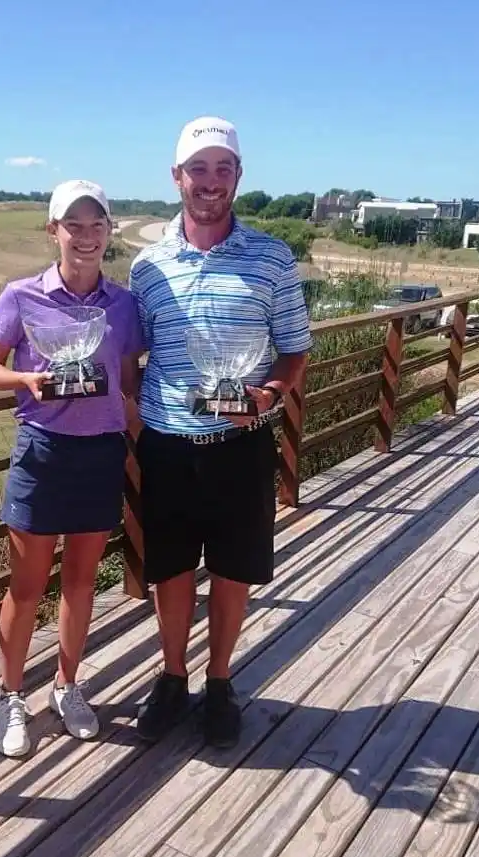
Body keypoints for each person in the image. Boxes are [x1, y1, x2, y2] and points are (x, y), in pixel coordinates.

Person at [129, 117, 312, 748]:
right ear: (176, 177)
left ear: (238, 176)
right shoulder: (147, 266)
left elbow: (293, 352)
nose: (211, 183)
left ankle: (220, 681)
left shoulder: (272, 257)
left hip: (241, 444)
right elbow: (130, 354)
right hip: (167, 444)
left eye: (223, 169)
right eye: (198, 169)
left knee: (233, 570)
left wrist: (269, 393)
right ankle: (172, 677)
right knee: (172, 570)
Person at [0, 179, 143, 757]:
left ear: (108, 233)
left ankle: (67, 687)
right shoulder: (21, 296)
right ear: (54, 231)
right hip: (42, 452)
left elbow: (126, 381)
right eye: (75, 226)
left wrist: (135, 433)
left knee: (80, 581)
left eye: (97, 225)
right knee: (25, 589)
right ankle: (9, 696)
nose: (87, 236)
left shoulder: (122, 304)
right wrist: (27, 380)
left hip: (99, 453)